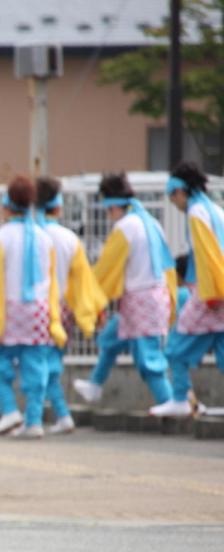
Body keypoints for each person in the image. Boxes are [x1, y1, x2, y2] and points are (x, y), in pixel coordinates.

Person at [72, 173, 177, 413]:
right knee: (110, 339)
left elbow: (105, 269)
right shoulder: (150, 222)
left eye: (107, 211)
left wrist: (90, 299)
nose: (108, 217)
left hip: (141, 300)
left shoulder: (126, 228)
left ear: (114, 205)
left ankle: (170, 401)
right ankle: (95, 385)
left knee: (148, 358)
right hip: (152, 298)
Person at [0, 176, 66, 439]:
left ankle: (9, 409)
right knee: (36, 364)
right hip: (38, 312)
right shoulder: (43, 236)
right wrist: (54, 316)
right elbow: (51, 283)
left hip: (8, 311)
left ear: (7, 205)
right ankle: (34, 421)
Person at [34, 177, 109, 434]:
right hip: (62, 310)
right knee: (50, 362)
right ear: (58, 207)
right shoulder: (69, 238)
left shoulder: (33, 234)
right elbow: (84, 281)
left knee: (38, 364)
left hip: (34, 309)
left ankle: (53, 415)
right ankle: (57, 414)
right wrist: (95, 310)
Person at [161, 161, 224, 416]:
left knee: (176, 346)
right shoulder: (216, 210)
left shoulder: (197, 213)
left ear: (180, 191)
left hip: (210, 291)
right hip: (219, 289)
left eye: (171, 196)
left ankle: (180, 398)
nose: (173, 203)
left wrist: (212, 293)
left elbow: (207, 255)